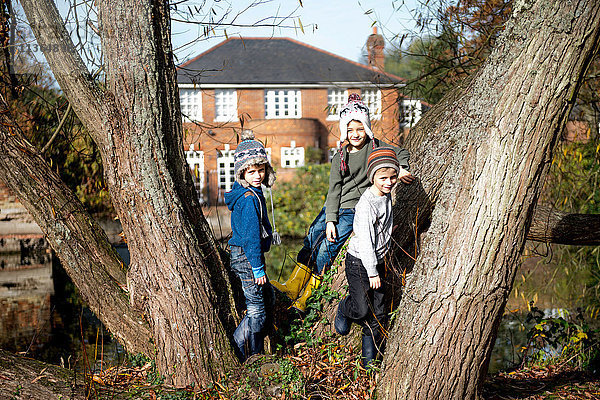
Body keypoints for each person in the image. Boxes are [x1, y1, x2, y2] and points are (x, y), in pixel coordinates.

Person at [271, 93, 414, 311]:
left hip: (355, 209)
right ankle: (293, 286)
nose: (355, 134)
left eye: (359, 129)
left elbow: (401, 152)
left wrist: (401, 167)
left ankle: (307, 297)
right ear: (344, 131)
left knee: (327, 247)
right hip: (337, 205)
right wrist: (329, 219)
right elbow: (334, 189)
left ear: (366, 127)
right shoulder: (340, 155)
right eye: (350, 130)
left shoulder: (375, 146)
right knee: (313, 235)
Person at [334, 147, 400, 368]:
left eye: (393, 177)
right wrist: (372, 272)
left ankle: (368, 362)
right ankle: (344, 307)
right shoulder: (366, 204)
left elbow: (383, 225)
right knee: (362, 309)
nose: (389, 182)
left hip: (378, 262)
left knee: (379, 312)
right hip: (360, 263)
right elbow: (365, 240)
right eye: (383, 178)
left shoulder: (386, 195)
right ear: (372, 177)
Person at [224, 129, 276, 362]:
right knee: (256, 307)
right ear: (242, 172)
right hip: (246, 256)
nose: (257, 176)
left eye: (261, 170)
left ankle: (252, 346)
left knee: (268, 298)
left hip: (248, 255)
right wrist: (257, 267)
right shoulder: (247, 199)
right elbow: (251, 238)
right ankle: (246, 351)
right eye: (252, 171)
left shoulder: (254, 193)